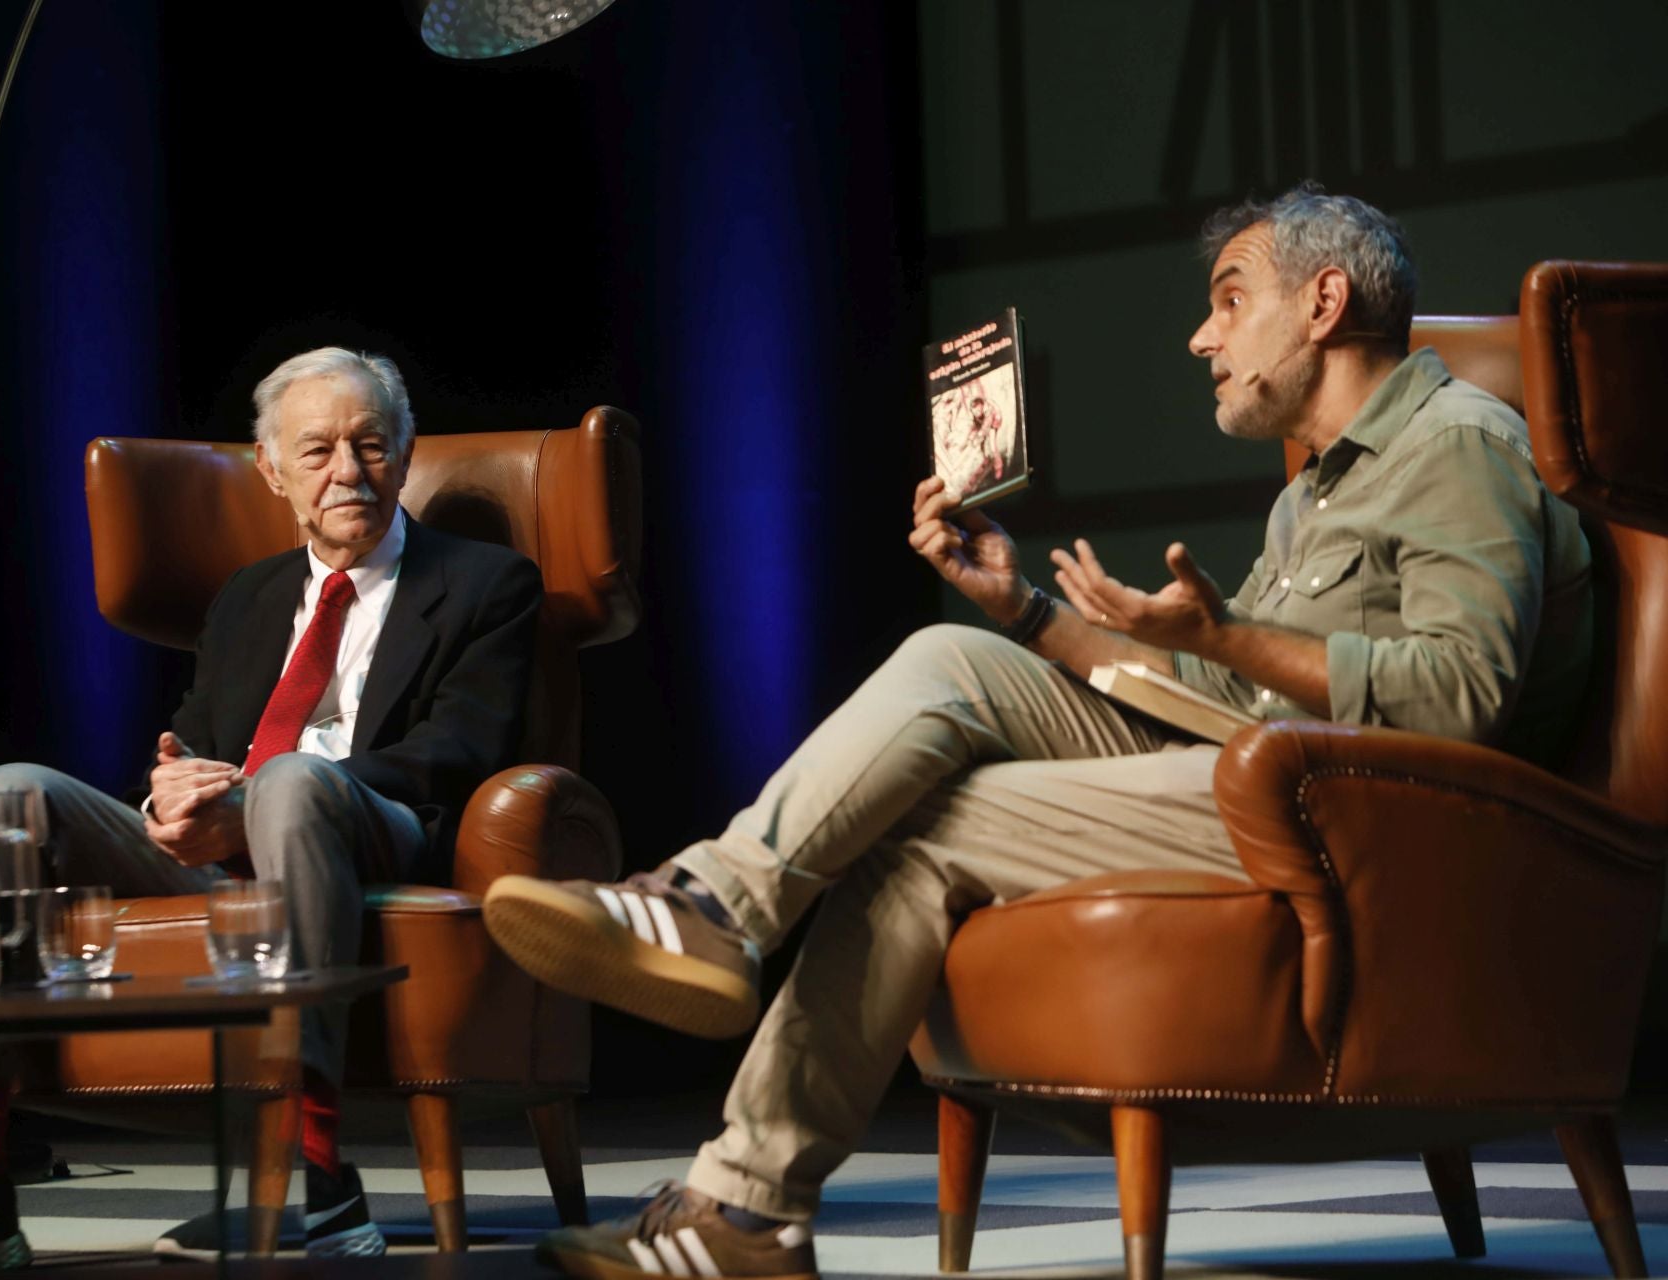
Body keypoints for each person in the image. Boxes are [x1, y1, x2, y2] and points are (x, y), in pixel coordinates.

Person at [481, 184, 1594, 1280]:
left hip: (1355, 821)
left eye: (1228, 299)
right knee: (948, 656)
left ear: (1323, 302)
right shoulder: (1306, 496)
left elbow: (1461, 696)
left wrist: (1236, 637)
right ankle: (714, 904)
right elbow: (1232, 693)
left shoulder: (1458, 443)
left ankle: (746, 1204)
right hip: (1253, 772)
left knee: (923, 824)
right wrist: (1022, 605)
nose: (1202, 336)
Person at [0, 347, 542, 1273]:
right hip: (219, 844)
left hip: (367, 830)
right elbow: (190, 738)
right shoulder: (248, 597)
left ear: (406, 451)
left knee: (293, 783)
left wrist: (260, 791)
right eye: (317, 452)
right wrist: (169, 794)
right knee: (1, 796)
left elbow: (457, 753)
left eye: (371, 445)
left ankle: (314, 1172)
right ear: (272, 471)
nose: (348, 471)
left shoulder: (486, 582)